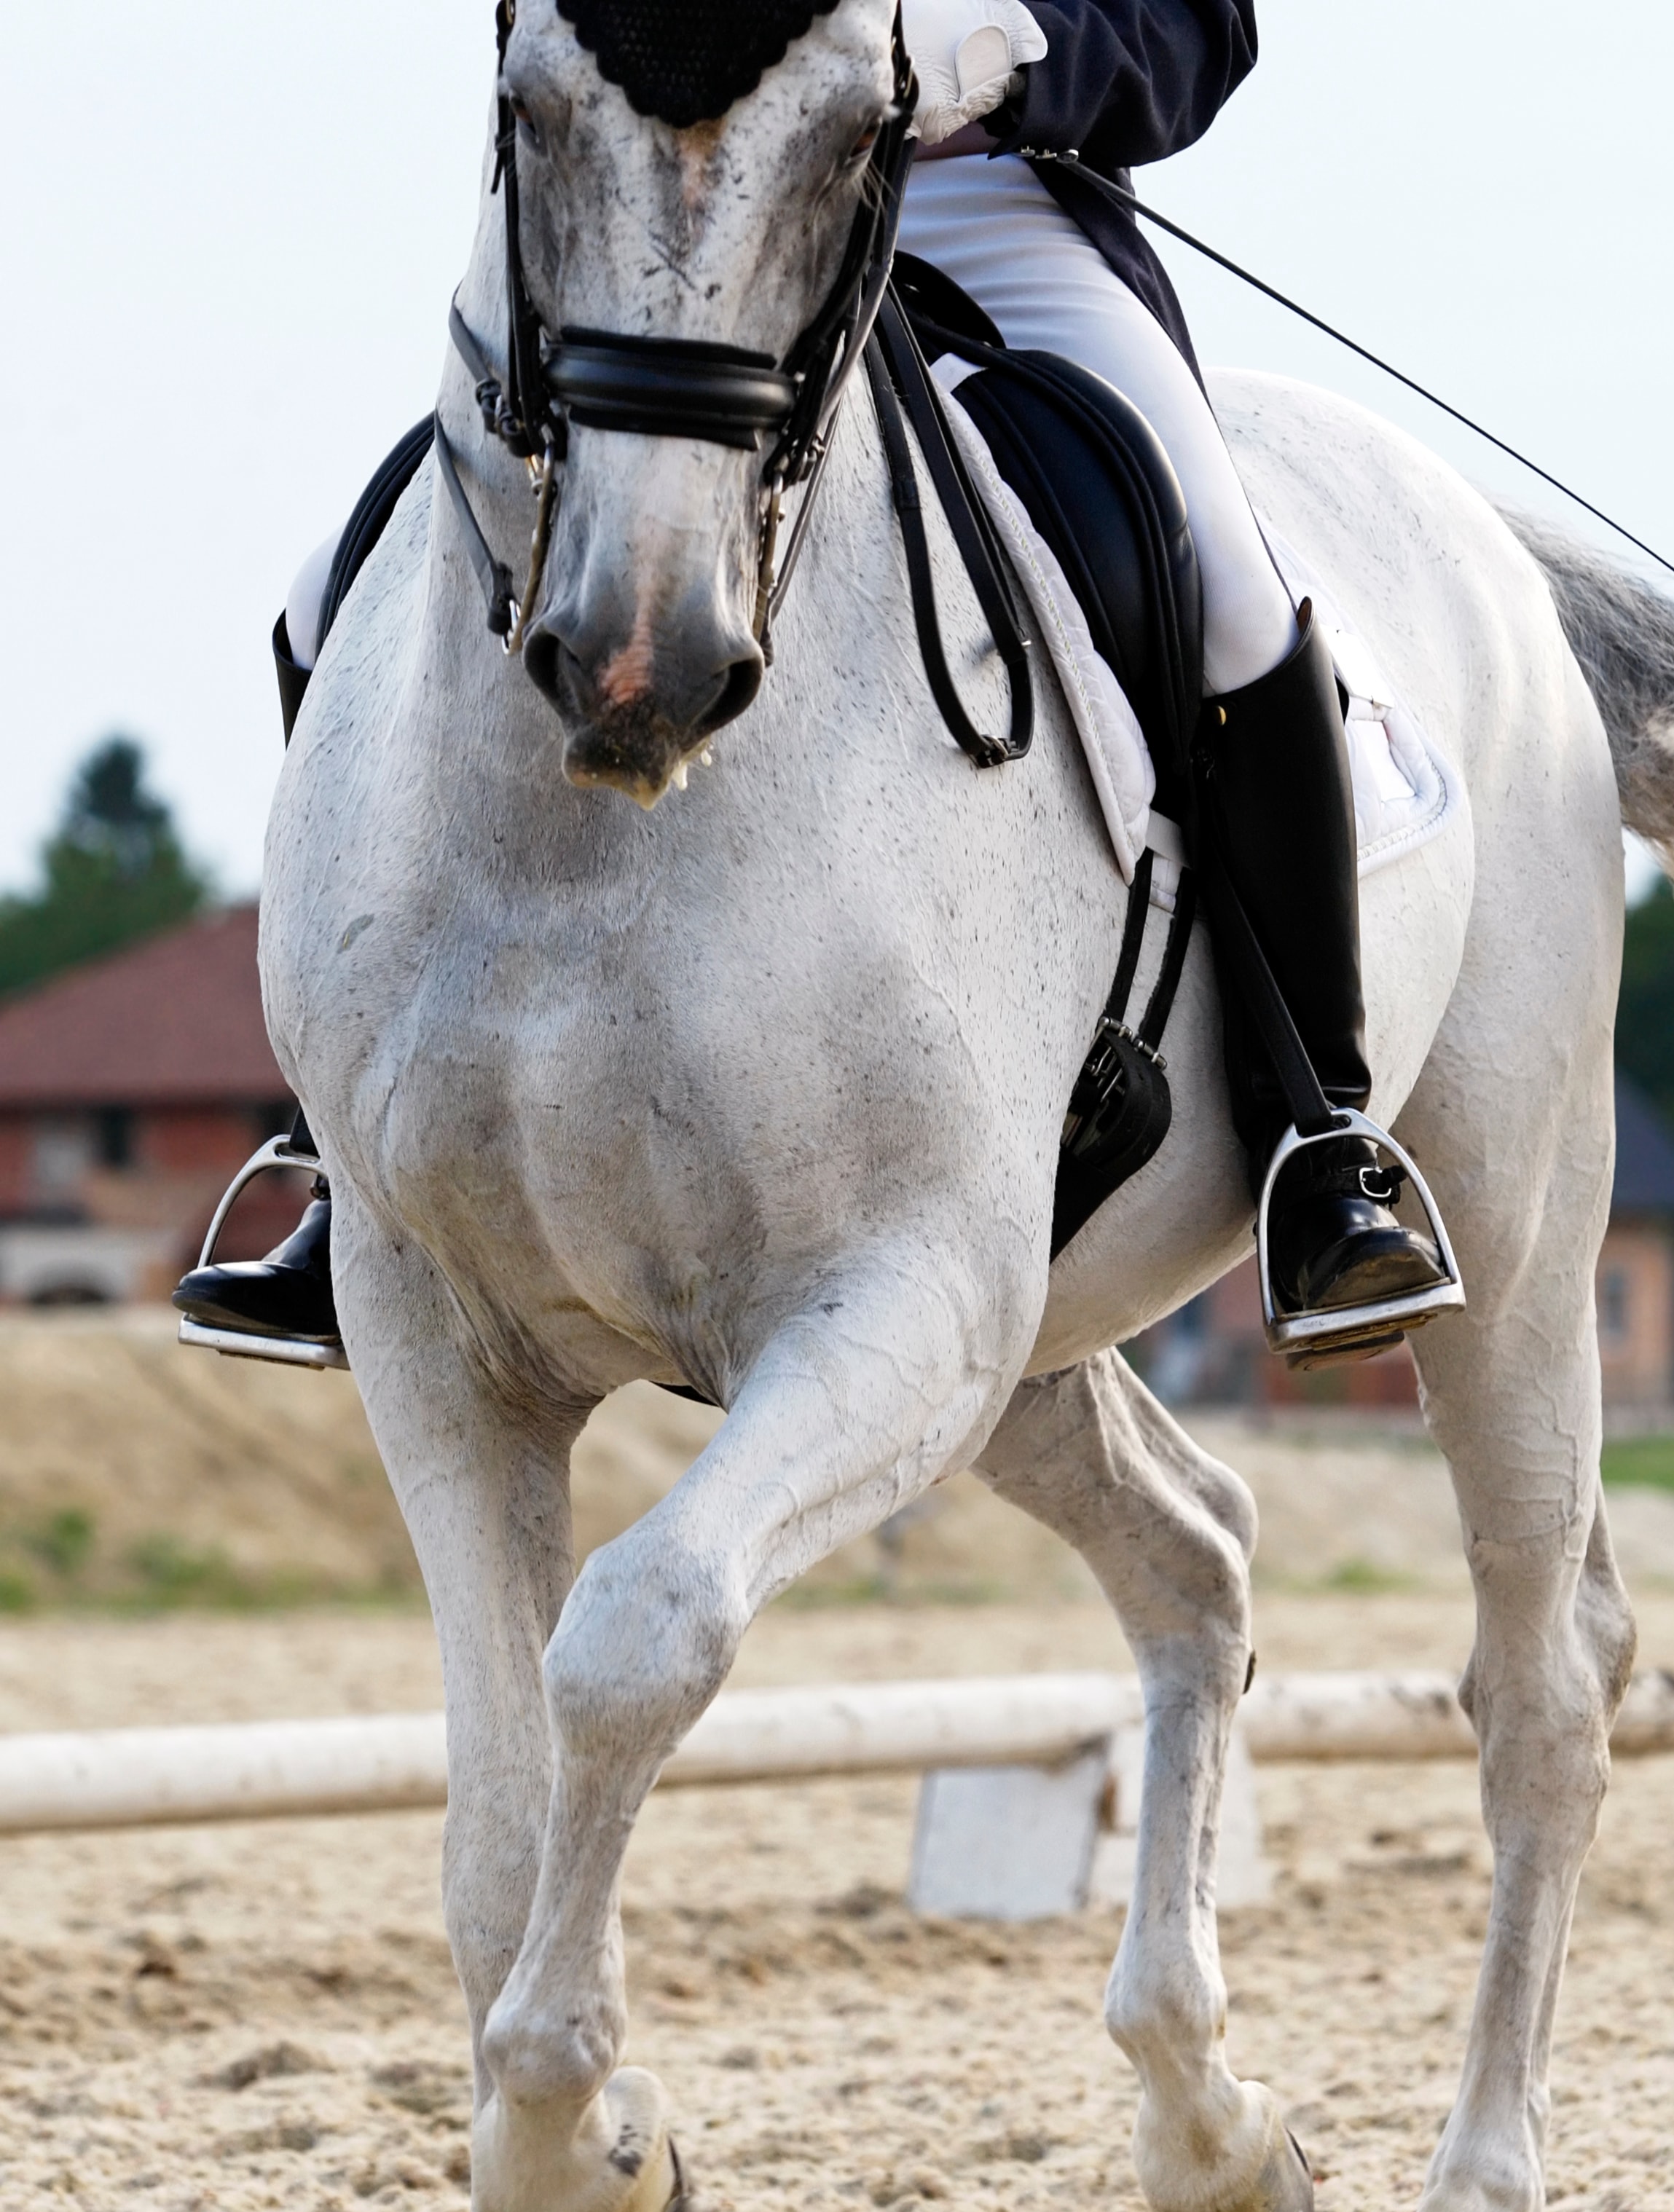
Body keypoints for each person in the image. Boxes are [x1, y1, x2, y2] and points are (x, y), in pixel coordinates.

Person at [176, 0, 1450, 1356]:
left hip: (980, 208)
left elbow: (1198, 24)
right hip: (686, 211)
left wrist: (1010, 58)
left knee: (1233, 603)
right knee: (330, 595)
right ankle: (350, 1161)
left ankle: (1321, 1133)